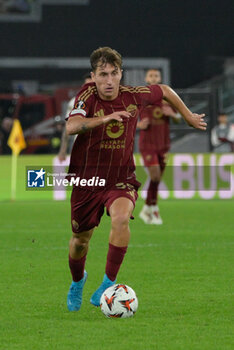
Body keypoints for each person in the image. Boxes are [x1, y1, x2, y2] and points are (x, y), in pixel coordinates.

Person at [65, 46, 207, 312]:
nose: (109, 80)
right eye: (103, 74)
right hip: (87, 181)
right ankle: (77, 282)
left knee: (120, 218)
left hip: (120, 178)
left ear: (121, 74)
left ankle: (108, 284)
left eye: (114, 73)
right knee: (80, 241)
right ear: (93, 76)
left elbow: (164, 90)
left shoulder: (133, 96)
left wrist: (187, 116)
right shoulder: (86, 96)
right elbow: (72, 127)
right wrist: (106, 118)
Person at [137, 69, 181, 224]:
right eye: (151, 75)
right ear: (146, 78)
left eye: (156, 75)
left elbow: (178, 118)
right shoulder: (142, 97)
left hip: (163, 144)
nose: (154, 78)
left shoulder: (167, 97)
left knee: (157, 178)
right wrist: (138, 125)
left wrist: (173, 115)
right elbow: (128, 118)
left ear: (160, 78)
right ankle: (151, 207)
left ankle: (150, 208)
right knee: (155, 176)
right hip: (147, 144)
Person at [58, 73, 93, 162]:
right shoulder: (75, 102)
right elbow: (68, 126)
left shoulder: (106, 101)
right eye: (87, 85)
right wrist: (63, 150)